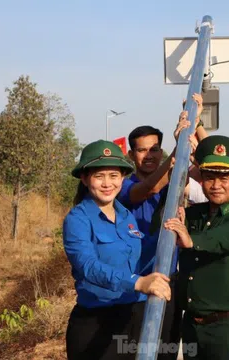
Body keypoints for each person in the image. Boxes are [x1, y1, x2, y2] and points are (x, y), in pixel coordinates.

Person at [63, 140, 172, 360]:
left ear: (122, 178)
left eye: (113, 176)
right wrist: (138, 282)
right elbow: (88, 266)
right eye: (99, 176)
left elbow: (139, 256)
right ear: (84, 179)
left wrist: (173, 234)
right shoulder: (77, 219)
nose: (107, 183)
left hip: (131, 318)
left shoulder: (126, 216)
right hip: (95, 322)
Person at [117, 97, 204, 359]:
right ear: (132, 155)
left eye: (155, 149)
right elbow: (150, 187)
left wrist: (195, 124)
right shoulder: (122, 186)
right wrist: (179, 149)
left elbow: (208, 167)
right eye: (142, 150)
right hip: (135, 285)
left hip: (168, 282)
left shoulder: (175, 181)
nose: (150, 156)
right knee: (132, 352)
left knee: (165, 351)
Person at [164, 135, 229, 360]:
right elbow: (165, 217)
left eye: (224, 178)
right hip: (193, 328)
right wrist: (179, 167)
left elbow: (214, 239)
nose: (216, 185)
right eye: (208, 177)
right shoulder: (195, 214)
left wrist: (189, 239)